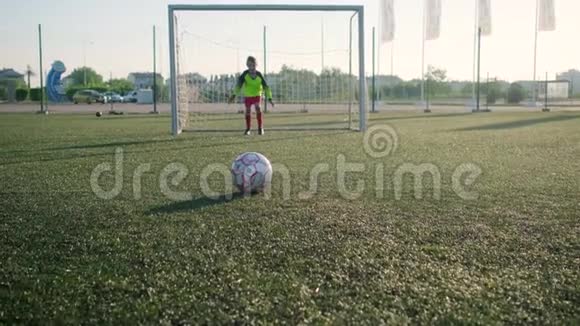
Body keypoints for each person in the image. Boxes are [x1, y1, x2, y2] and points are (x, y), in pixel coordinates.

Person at [228, 56, 274, 135]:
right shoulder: (244, 74)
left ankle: (260, 128)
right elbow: (238, 86)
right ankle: (248, 129)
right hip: (248, 95)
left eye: (253, 65)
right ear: (247, 65)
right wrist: (234, 95)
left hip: (257, 94)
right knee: (248, 110)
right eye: (249, 65)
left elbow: (266, 87)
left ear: (256, 65)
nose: (251, 67)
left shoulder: (259, 75)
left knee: (258, 107)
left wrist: (270, 98)